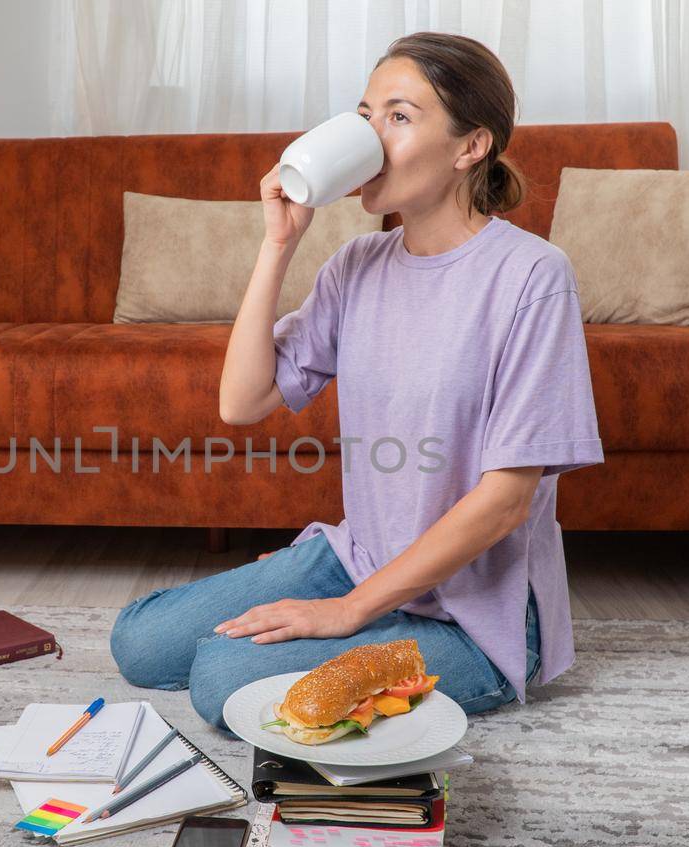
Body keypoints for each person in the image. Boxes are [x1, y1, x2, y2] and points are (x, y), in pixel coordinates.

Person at [110, 31, 604, 731]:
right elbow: (242, 402)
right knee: (139, 642)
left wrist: (345, 613)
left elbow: (504, 504)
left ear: (470, 147)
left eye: (400, 117)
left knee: (221, 678)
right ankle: (352, 605)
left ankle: (383, 627)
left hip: (477, 618)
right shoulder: (355, 265)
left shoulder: (532, 276)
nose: (372, 135)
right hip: (359, 560)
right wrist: (277, 244)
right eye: (366, 115)